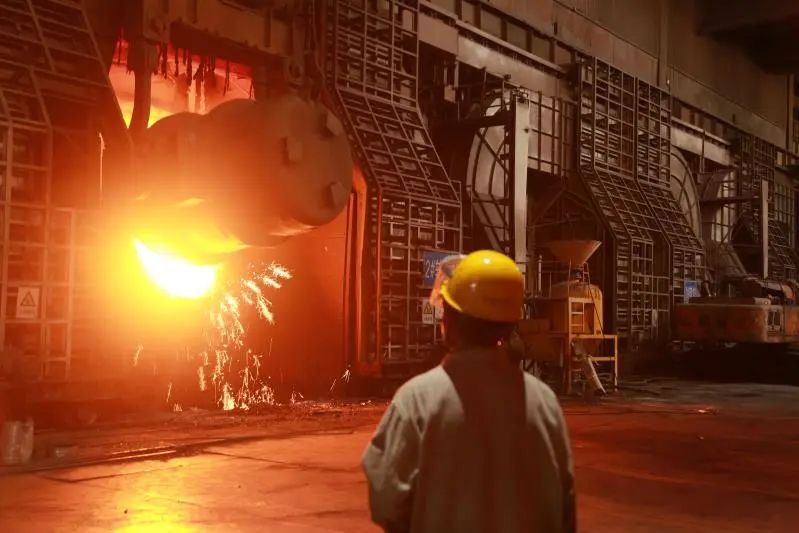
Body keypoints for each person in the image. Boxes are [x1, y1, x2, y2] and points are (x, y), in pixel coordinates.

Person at [362, 250, 575, 533]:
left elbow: (386, 503)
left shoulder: (417, 401)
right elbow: (564, 507)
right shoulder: (544, 402)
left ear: (449, 320)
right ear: (510, 324)